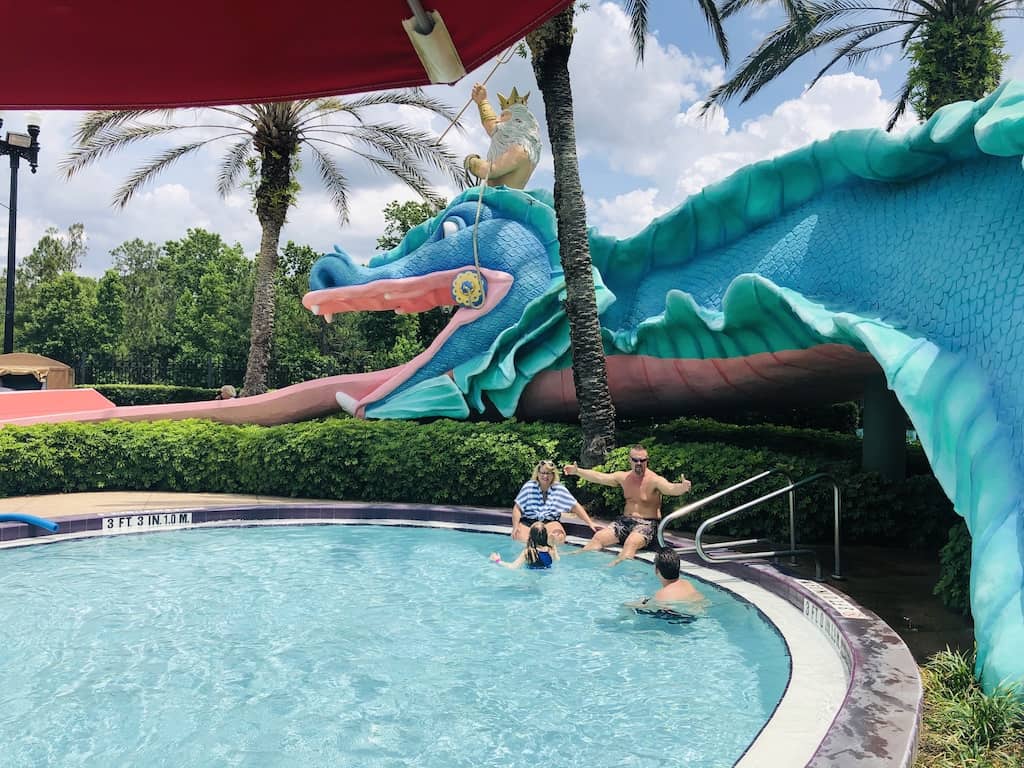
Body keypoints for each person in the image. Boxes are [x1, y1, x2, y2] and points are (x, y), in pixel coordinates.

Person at [564, 444, 692, 566]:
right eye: (635, 460)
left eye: (642, 460)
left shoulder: (654, 480)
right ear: (629, 460)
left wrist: (682, 487)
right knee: (598, 537)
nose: (639, 463)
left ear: (647, 461)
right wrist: (577, 471)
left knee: (631, 543)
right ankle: (578, 560)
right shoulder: (624, 477)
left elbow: (670, 488)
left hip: (646, 524)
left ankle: (616, 570)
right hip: (625, 522)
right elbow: (600, 477)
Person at [463, 84, 542, 189]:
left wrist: (471, 161)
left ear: (518, 120)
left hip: (502, 201)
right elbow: (493, 127)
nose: (497, 119)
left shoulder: (520, 149)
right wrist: (482, 101)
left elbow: (488, 171)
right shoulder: (510, 141)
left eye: (503, 115)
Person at [512, 460, 598, 545]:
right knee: (520, 538)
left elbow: (575, 506)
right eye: (543, 473)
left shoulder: (559, 489)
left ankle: (551, 551)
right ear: (538, 474)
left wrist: (590, 523)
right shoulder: (529, 486)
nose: (545, 476)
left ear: (553, 475)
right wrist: (515, 527)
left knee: (558, 537)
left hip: (550, 522)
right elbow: (517, 507)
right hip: (529, 522)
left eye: (548, 473)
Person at [628, 548, 705, 622]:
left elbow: (646, 607)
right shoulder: (687, 583)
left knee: (630, 608)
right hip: (693, 616)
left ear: (656, 570)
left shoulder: (661, 594)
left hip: (677, 618)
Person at [490, 522, 559, 570]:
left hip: (531, 581)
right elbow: (557, 560)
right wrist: (553, 543)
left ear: (530, 536)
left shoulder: (529, 552)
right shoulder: (550, 550)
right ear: (545, 536)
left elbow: (513, 567)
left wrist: (498, 561)